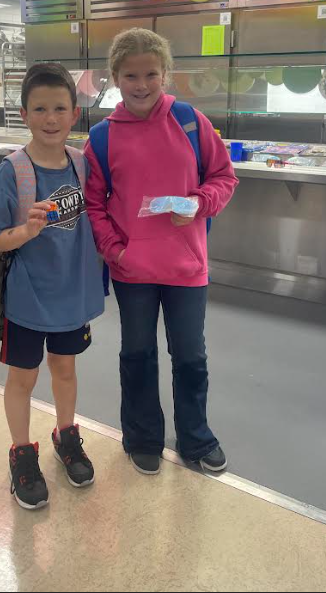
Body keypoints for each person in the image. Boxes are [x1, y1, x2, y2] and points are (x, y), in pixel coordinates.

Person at [84, 28, 238, 476]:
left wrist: (199, 204)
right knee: (137, 354)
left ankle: (195, 437)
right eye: (130, 75)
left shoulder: (191, 121)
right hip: (132, 269)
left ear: (165, 74)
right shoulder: (101, 137)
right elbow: (95, 204)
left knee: (190, 355)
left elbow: (224, 177)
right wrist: (116, 251)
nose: (141, 84)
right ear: (114, 77)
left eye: (151, 73)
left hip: (187, 266)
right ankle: (142, 435)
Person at [0, 62, 104, 509]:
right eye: (40, 109)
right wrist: (27, 233)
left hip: (72, 294)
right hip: (28, 299)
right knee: (23, 377)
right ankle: (21, 452)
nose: (50, 118)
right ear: (23, 114)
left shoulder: (81, 164)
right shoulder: (11, 172)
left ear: (75, 114)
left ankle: (66, 434)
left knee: (66, 369)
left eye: (59, 108)